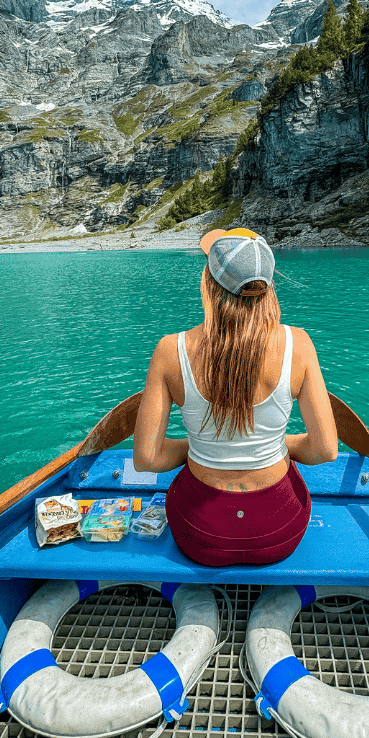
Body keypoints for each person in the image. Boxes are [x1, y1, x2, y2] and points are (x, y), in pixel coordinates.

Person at [133, 227, 338, 566]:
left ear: (208, 284)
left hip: (200, 532)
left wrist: (200, 448)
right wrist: (277, 445)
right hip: (278, 530)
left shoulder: (171, 351)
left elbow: (147, 460)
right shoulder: (298, 345)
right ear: (268, 287)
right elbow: (325, 449)